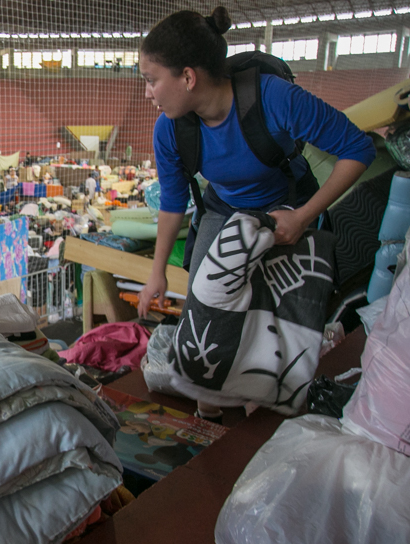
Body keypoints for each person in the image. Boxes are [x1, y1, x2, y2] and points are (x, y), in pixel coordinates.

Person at [135, 6, 375, 419]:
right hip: (225, 210)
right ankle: (208, 414)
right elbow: (174, 201)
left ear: (188, 77)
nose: (147, 93)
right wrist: (157, 271)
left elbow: (359, 149)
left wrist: (302, 218)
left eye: (151, 81)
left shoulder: (274, 99)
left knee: (277, 314)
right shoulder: (171, 129)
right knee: (205, 310)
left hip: (288, 206)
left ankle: (272, 405)